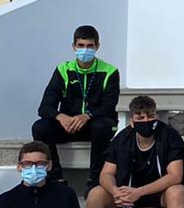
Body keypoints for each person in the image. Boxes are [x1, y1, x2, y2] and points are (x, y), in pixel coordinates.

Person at [31, 24, 120, 189]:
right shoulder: (63, 70)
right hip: (69, 126)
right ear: (73, 46)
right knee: (40, 127)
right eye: (80, 45)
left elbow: (109, 106)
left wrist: (87, 115)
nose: (85, 50)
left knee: (102, 126)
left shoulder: (110, 71)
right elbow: (44, 107)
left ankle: (95, 180)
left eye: (89, 46)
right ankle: (55, 179)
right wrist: (60, 117)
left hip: (95, 125)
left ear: (97, 47)